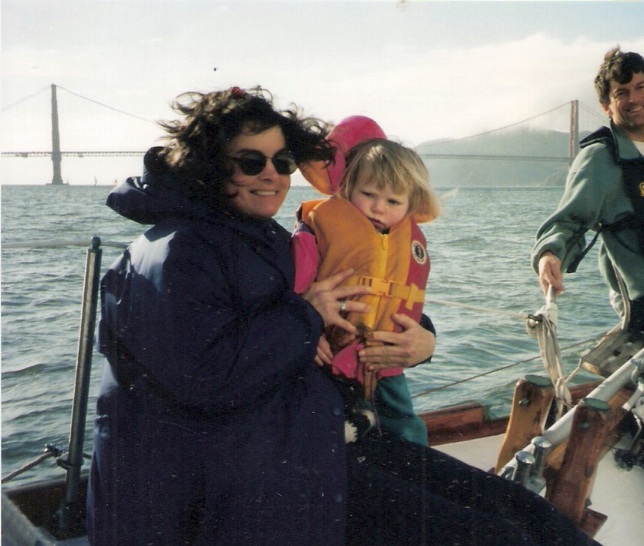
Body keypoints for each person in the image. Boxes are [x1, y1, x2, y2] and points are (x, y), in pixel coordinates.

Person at [88, 86, 600, 546]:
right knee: (496, 537)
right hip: (234, 491)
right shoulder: (176, 254)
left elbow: (347, 305)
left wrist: (420, 339)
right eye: (250, 161)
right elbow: (204, 378)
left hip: (312, 445)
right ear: (208, 165)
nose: (271, 175)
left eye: (282, 161)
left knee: (528, 516)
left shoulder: (258, 237)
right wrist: (304, 318)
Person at [293, 117, 441, 445]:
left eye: (392, 202)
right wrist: (304, 326)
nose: (378, 208)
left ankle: (416, 470)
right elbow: (299, 281)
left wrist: (426, 340)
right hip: (334, 351)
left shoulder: (408, 237)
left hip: (386, 355)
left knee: (405, 425)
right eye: (368, 194)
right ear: (348, 188)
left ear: (410, 204)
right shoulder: (320, 227)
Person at [532, 47, 644, 336]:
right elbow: (569, 220)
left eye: (641, 87)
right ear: (606, 105)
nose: (634, 99)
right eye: (621, 93)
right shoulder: (599, 157)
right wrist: (549, 255)